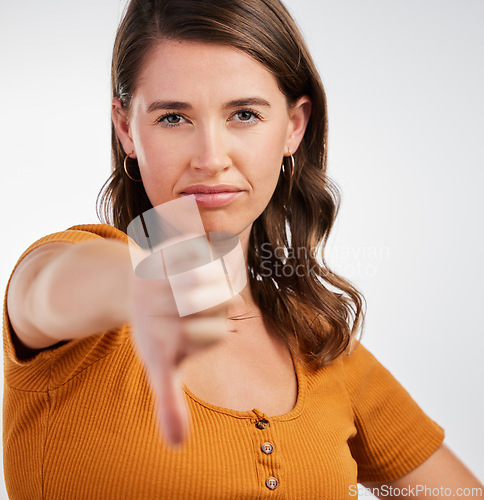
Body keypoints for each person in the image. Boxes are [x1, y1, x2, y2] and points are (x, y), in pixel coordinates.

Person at [3, 0, 482, 498]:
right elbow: (47, 289)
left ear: (294, 127)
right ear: (127, 128)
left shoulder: (319, 344)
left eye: (245, 114)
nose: (211, 158)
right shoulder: (75, 284)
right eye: (172, 118)